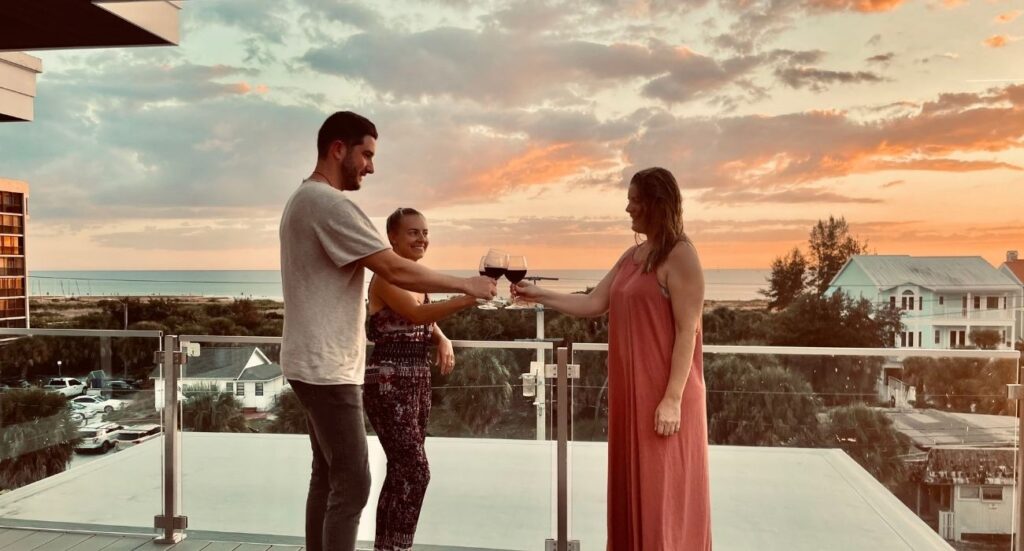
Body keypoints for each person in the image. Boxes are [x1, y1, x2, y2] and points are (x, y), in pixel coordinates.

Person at [279, 111, 495, 551]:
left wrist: (439, 332)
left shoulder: (302, 200)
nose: (371, 167)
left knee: (327, 478)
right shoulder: (329, 204)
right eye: (367, 154)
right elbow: (396, 269)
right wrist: (466, 285)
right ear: (338, 148)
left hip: (311, 362)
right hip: (327, 368)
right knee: (354, 484)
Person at [514, 167, 711, 550]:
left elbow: (690, 330)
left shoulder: (682, 254)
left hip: (664, 394)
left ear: (656, 203)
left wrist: (672, 399)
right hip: (631, 393)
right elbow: (593, 302)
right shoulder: (633, 256)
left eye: (635, 199)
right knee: (633, 489)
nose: (627, 207)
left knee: (661, 496)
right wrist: (538, 295)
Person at [363, 207, 477, 551]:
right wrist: (467, 297)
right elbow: (416, 313)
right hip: (389, 382)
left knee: (401, 471)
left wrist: (441, 337)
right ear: (392, 238)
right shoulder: (386, 277)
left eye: (425, 232)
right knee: (416, 471)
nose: (422, 238)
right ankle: (398, 547)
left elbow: (422, 320)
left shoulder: (414, 278)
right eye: (413, 233)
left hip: (417, 381)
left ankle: (388, 547)